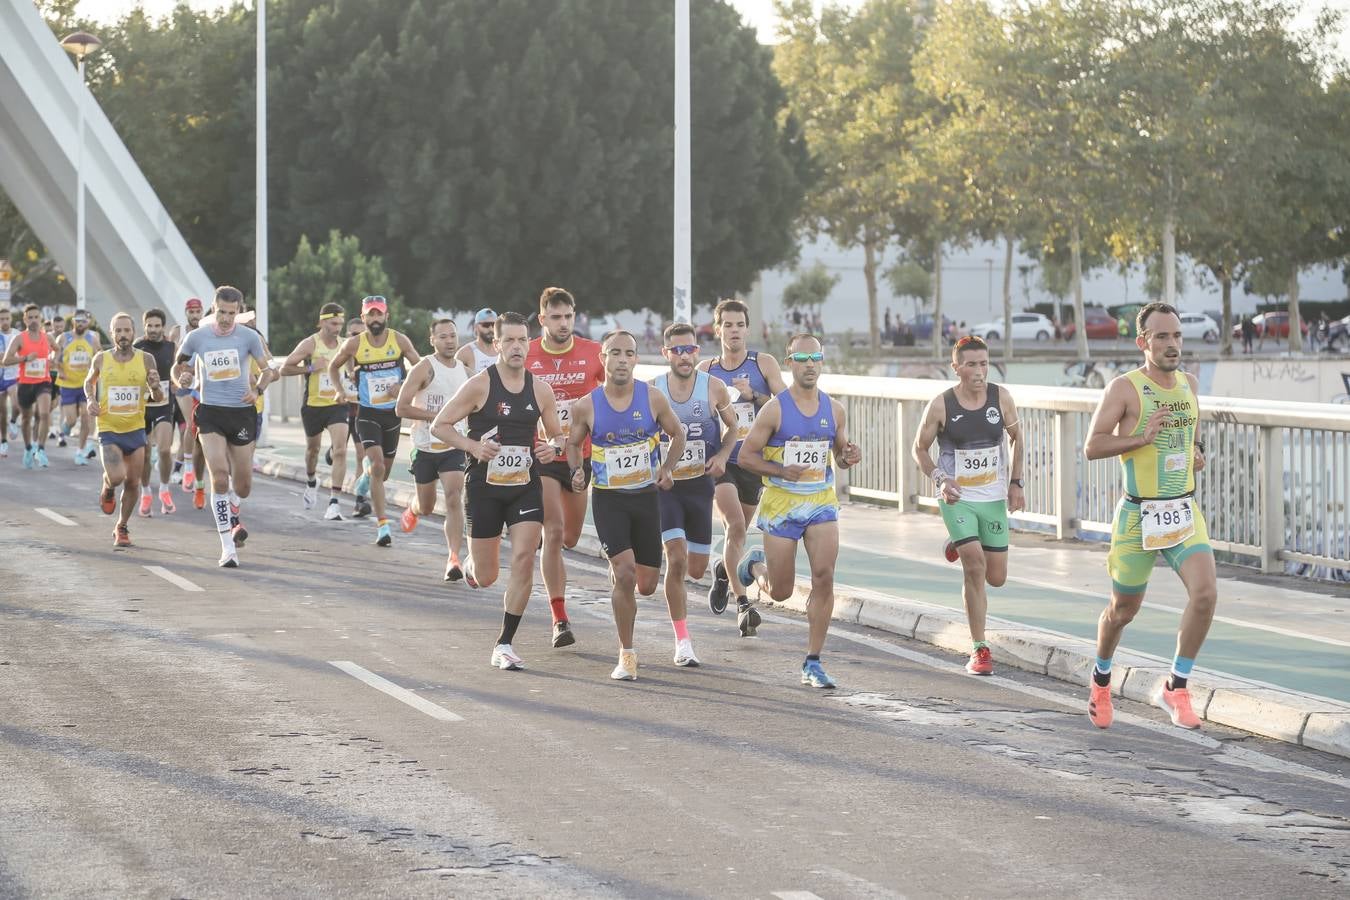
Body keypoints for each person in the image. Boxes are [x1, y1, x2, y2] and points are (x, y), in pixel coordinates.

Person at [1083, 301, 1215, 730]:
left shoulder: (1190, 385)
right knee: (1122, 611)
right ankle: (1101, 678)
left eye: (1176, 335)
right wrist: (1141, 438)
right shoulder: (1124, 388)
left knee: (1206, 595)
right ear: (1143, 342)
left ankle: (1176, 686)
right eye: (1162, 337)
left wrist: (1196, 454)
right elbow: (1093, 446)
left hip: (1182, 510)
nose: (1172, 344)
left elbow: (1192, 439)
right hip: (1140, 515)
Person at [430, 312, 562, 671]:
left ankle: (504, 642)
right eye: (510, 341)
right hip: (484, 488)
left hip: (525, 487)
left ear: (529, 344)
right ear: (498, 344)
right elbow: (440, 425)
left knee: (523, 559)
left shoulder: (541, 389)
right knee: (487, 576)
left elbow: (556, 435)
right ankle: (471, 566)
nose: (518, 347)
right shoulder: (480, 385)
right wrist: (472, 447)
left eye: (523, 340)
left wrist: (554, 447)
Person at [734, 333, 861, 688]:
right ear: (789, 363)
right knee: (780, 592)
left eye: (815, 357)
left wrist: (848, 456)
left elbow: (839, 455)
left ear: (822, 362)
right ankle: (754, 566)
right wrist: (778, 470)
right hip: (781, 507)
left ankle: (813, 661)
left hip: (820, 504)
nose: (809, 364)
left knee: (824, 576)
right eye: (802, 358)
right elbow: (746, 456)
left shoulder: (834, 409)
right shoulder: (775, 409)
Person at [566, 331, 685, 681]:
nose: (621, 359)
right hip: (609, 499)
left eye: (628, 353)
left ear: (636, 359)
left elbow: (678, 435)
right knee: (625, 573)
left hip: (646, 498)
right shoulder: (586, 405)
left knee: (646, 584)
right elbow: (573, 443)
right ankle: (627, 654)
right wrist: (576, 471)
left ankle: (622, 573)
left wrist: (666, 469)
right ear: (602, 359)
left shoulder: (653, 399)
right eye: (614, 353)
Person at [911, 335, 1026, 675]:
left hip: (992, 499)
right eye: (972, 364)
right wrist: (940, 479)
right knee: (974, 566)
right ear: (956, 367)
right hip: (957, 497)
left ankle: (959, 543)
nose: (979, 371)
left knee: (997, 577)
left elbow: (1019, 438)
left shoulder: (1000, 398)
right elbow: (919, 449)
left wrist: (1016, 483)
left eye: (984, 364)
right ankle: (979, 648)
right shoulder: (941, 405)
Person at [699, 298, 787, 636]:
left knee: (737, 534)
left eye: (739, 325)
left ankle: (724, 569)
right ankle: (742, 603)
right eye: (728, 325)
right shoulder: (707, 370)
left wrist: (754, 397)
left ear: (747, 329)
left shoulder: (762, 363)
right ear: (717, 329)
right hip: (721, 461)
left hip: (754, 462)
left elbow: (785, 406)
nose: (734, 331)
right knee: (735, 526)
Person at [651, 323, 738, 667]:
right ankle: (683, 641)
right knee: (675, 558)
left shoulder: (714, 388)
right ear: (666, 354)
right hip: (668, 488)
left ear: (697, 352)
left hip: (701, 487)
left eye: (690, 350)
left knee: (697, 570)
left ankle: (719, 566)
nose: (684, 356)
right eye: (677, 350)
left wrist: (721, 457)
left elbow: (733, 428)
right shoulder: (653, 390)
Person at [173, 286, 277, 568]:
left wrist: (259, 390)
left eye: (232, 313)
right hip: (210, 412)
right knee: (219, 477)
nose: (226, 318)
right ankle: (227, 547)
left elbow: (270, 369)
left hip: (242, 412)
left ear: (239, 311)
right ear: (214, 308)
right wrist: (181, 378)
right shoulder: (198, 336)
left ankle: (234, 502)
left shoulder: (249, 337)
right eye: (222, 312)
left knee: (242, 486)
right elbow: (178, 365)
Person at [526, 286, 605, 649]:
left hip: (578, 457)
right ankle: (560, 619)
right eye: (555, 317)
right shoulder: (527, 354)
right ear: (542, 319)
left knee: (570, 537)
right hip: (541, 457)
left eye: (568, 317)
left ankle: (541, 541)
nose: (563, 324)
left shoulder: (592, 352)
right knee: (555, 532)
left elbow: (615, 392)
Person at [328, 296, 421, 546]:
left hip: (392, 415)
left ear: (386, 316)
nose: (375, 319)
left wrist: (403, 387)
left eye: (379, 314)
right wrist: (339, 390)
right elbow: (332, 368)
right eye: (370, 314)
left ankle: (366, 478)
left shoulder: (399, 340)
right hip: (367, 414)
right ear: (364, 315)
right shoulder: (354, 344)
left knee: (383, 473)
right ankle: (382, 526)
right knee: (378, 465)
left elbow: (420, 368)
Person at [395, 318, 469, 580]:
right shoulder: (424, 368)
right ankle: (413, 508)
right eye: (443, 337)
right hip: (425, 447)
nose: (449, 341)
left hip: (454, 445)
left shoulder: (464, 370)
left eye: (453, 336)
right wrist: (434, 416)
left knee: (453, 496)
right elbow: (401, 408)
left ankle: (453, 558)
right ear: (432, 340)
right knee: (427, 506)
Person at [84, 313, 165, 546]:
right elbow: (89, 382)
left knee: (132, 482)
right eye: (118, 331)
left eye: (126, 330)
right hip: (109, 428)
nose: (122, 335)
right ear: (112, 334)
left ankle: (121, 526)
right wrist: (90, 399)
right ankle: (108, 486)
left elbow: (157, 396)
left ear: (133, 332)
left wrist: (157, 387)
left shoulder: (146, 359)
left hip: (136, 429)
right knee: (118, 476)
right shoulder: (101, 359)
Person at [279, 302, 350, 520]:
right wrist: (310, 367)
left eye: (340, 323)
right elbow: (284, 368)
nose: (337, 328)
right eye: (332, 323)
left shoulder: (346, 345)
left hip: (337, 404)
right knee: (313, 451)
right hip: (313, 406)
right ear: (321, 322)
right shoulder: (310, 344)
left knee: (340, 450)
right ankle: (311, 480)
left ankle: (334, 503)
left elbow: (354, 369)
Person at [133, 309, 179, 516]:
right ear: (144, 327)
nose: (153, 330)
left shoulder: (171, 347)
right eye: (149, 326)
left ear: (163, 327)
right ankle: (145, 493)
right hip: (142, 407)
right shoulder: (137, 347)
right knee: (144, 455)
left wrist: (179, 382)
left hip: (164, 406)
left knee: (164, 450)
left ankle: (164, 489)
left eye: (157, 326)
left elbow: (180, 370)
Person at [1, 304, 55, 468]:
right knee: (26, 418)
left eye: (36, 317)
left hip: (43, 382)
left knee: (44, 414)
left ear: (41, 319)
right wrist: (24, 359)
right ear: (25, 320)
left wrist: (53, 359)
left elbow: (58, 350)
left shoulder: (48, 338)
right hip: (25, 383)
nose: (33, 320)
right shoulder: (19, 338)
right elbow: (6, 361)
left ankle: (41, 449)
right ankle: (28, 448)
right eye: (30, 317)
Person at [53, 309, 101, 464]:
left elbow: (100, 357)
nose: (81, 324)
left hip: (85, 384)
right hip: (67, 384)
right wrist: (60, 371)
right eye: (78, 320)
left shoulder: (92, 339)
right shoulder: (64, 338)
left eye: (84, 321)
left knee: (87, 418)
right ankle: (66, 427)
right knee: (72, 420)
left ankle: (80, 452)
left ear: (88, 322)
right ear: (73, 321)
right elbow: (56, 359)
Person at [169, 297, 205, 493]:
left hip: (201, 383)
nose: (195, 315)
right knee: (191, 425)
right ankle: (188, 468)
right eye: (191, 312)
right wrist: (174, 380)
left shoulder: (207, 331)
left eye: (198, 311)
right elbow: (172, 359)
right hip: (183, 384)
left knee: (195, 429)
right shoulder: (178, 332)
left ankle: (180, 465)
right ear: (186, 314)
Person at [455, 307, 499, 375]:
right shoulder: (465, 353)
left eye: (493, 325)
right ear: (475, 327)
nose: (491, 329)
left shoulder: (503, 350)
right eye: (486, 325)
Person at [0, 307, 19, 457]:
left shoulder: (17, 335)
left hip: (14, 375)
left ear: (11, 319)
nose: (4, 322)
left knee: (16, 404)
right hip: (0, 377)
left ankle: (13, 421)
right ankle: (4, 442)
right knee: (2, 412)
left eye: (7, 319)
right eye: (1, 319)